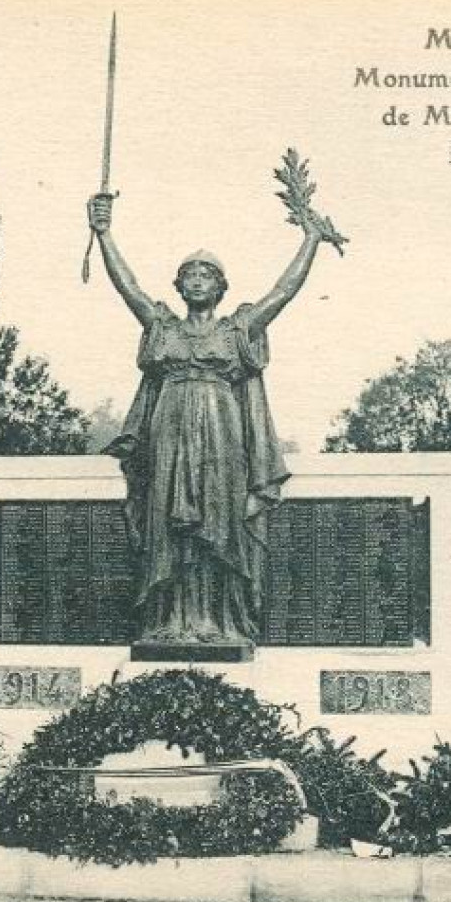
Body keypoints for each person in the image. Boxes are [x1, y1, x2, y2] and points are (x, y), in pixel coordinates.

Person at [87, 192, 331, 650]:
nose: (197, 280)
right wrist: (104, 235)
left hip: (222, 434)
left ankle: (220, 625)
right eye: (189, 275)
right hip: (168, 430)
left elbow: (283, 292)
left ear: (221, 288)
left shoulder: (236, 330)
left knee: (220, 523)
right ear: (179, 287)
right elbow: (129, 287)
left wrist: (311, 240)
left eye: (207, 275)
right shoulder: (163, 326)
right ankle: (167, 622)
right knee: (167, 524)